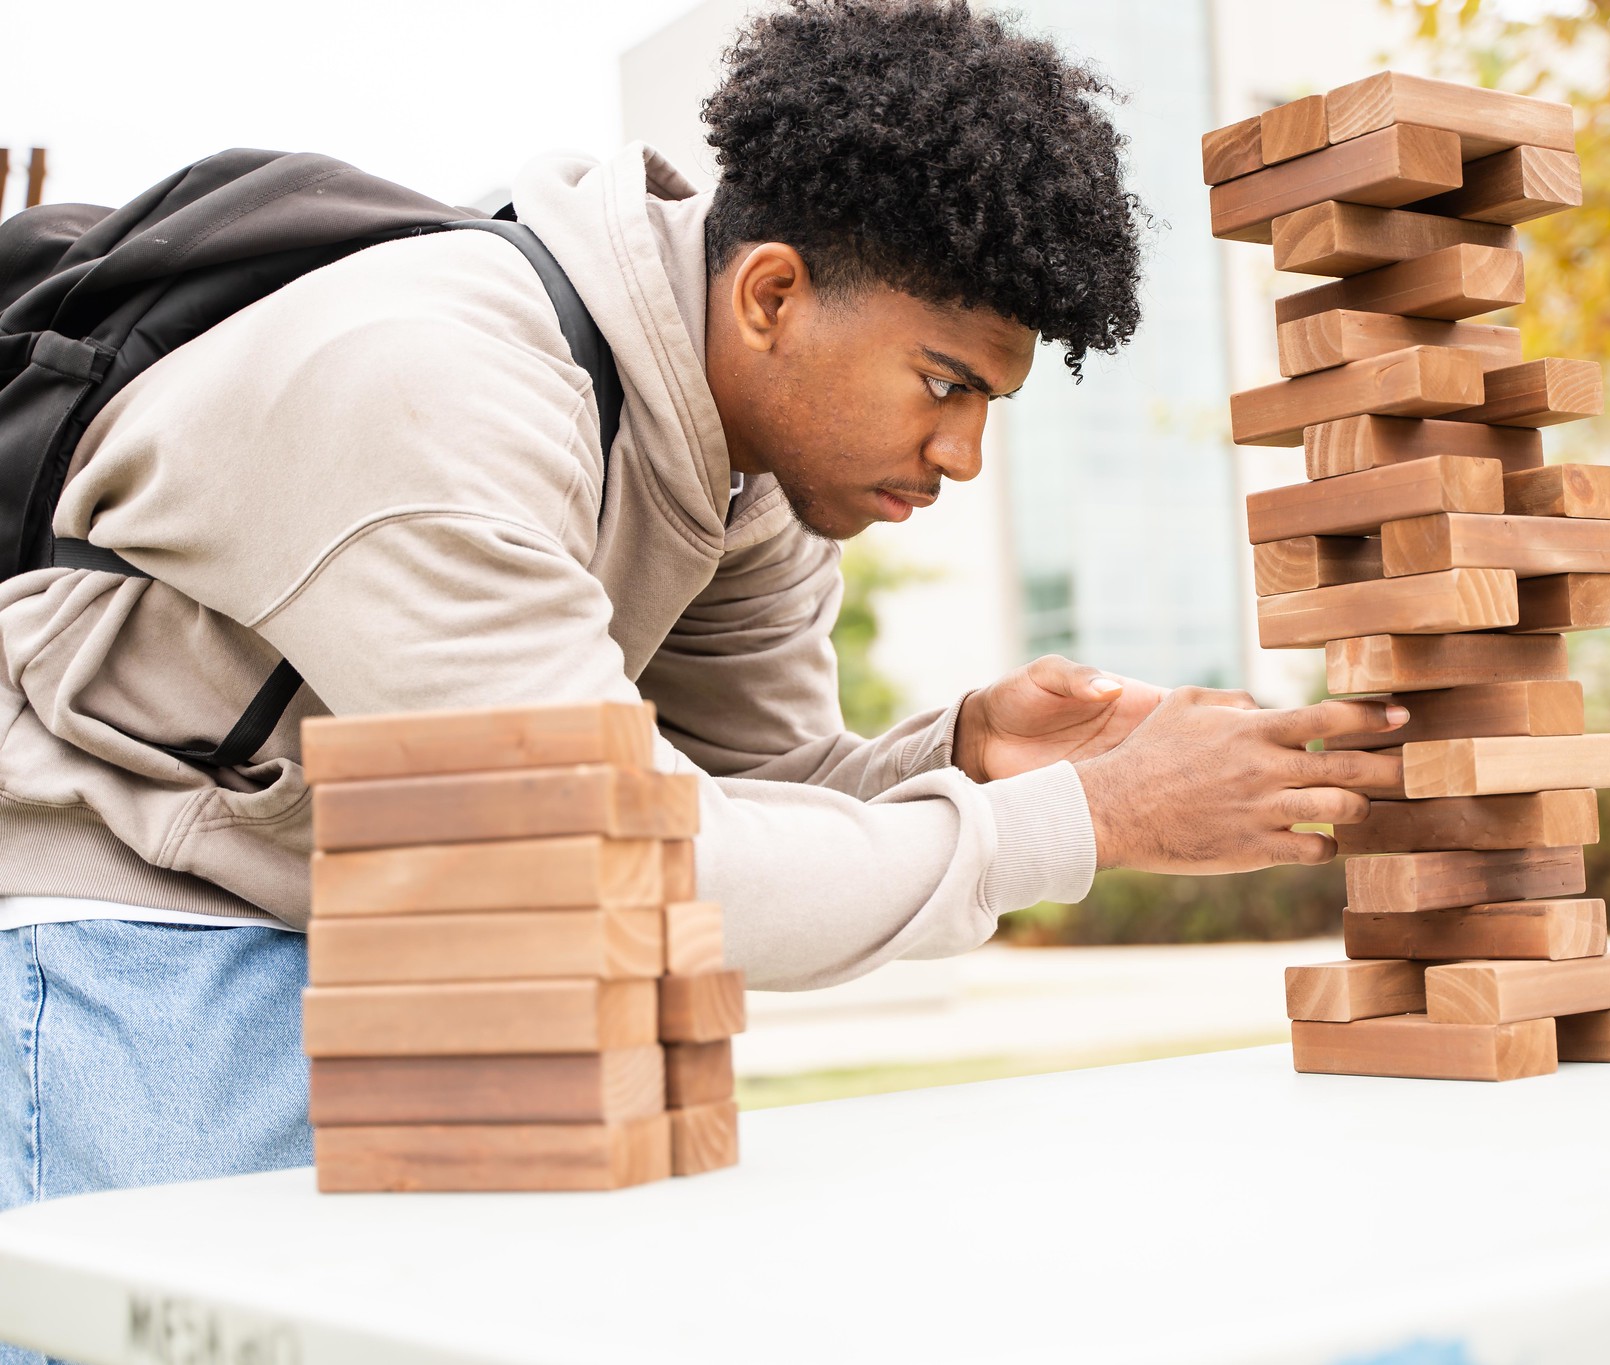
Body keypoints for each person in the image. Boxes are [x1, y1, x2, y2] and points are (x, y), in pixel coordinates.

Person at [0, 0, 1403, 1237]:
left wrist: (970, 757)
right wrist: (1099, 820)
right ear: (774, 292)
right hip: (126, 935)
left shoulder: (749, 479)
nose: (964, 455)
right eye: (944, 384)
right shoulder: (435, 393)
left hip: (364, 941)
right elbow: (626, 866)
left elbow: (750, 796)